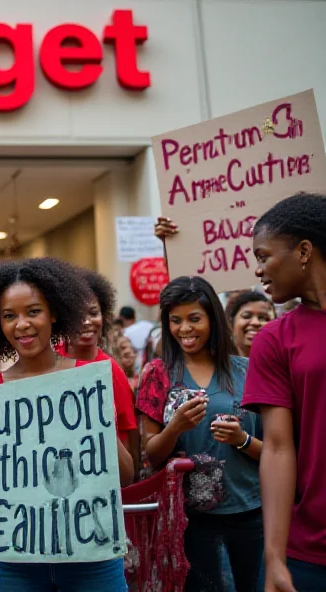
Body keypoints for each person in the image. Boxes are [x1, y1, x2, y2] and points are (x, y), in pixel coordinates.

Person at [0, 257, 134, 592]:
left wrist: (102, 427)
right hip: (13, 562)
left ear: (54, 313)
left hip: (91, 557)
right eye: (9, 316)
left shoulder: (89, 381)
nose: (21, 324)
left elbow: (124, 475)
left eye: (33, 311)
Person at [136, 276, 263, 592]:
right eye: (175, 321)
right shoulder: (158, 372)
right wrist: (175, 426)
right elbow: (150, 454)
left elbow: (276, 450)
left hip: (252, 512)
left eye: (194, 319)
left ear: (213, 320)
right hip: (190, 520)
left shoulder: (247, 370)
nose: (184, 329)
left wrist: (241, 440)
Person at [241, 193, 326, 592]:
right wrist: (274, 557)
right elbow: (277, 447)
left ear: (304, 251)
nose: (258, 270)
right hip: (306, 553)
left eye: (263, 255)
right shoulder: (274, 339)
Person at [56, 268, 140, 476]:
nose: (86, 322)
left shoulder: (110, 371)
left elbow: (129, 438)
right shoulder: (49, 360)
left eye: (93, 313)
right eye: (77, 315)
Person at [224, 290, 275, 358]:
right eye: (246, 316)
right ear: (231, 323)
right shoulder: (216, 365)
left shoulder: (284, 364)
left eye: (262, 318)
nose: (255, 322)